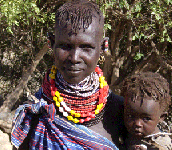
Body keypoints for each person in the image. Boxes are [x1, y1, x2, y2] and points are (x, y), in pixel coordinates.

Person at [11, 0, 124, 149]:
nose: (75, 57)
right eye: (65, 46)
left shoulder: (119, 111)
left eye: (86, 47)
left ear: (103, 47)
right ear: (51, 43)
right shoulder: (34, 111)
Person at [121, 72, 172, 150]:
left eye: (146, 118)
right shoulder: (125, 132)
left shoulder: (162, 145)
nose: (137, 124)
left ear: (161, 117)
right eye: (131, 116)